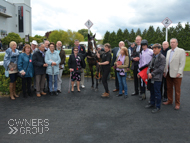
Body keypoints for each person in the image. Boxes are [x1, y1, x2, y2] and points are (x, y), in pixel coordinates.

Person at [163, 38, 186, 110]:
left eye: (174, 42)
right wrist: (165, 71)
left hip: (177, 74)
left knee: (177, 90)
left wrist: (179, 72)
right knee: (169, 88)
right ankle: (170, 100)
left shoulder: (181, 51)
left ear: (177, 43)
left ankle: (177, 103)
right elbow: (166, 63)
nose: (172, 43)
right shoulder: (169, 51)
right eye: (171, 42)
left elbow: (182, 63)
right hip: (168, 73)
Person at [145, 44, 166, 113]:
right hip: (151, 77)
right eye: (153, 48)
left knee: (157, 92)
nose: (154, 49)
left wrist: (152, 74)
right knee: (152, 91)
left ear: (160, 49)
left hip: (157, 78)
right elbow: (149, 66)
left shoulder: (162, 57)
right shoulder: (153, 56)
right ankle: (152, 103)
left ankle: (158, 107)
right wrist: (148, 73)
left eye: (156, 48)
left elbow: (161, 69)